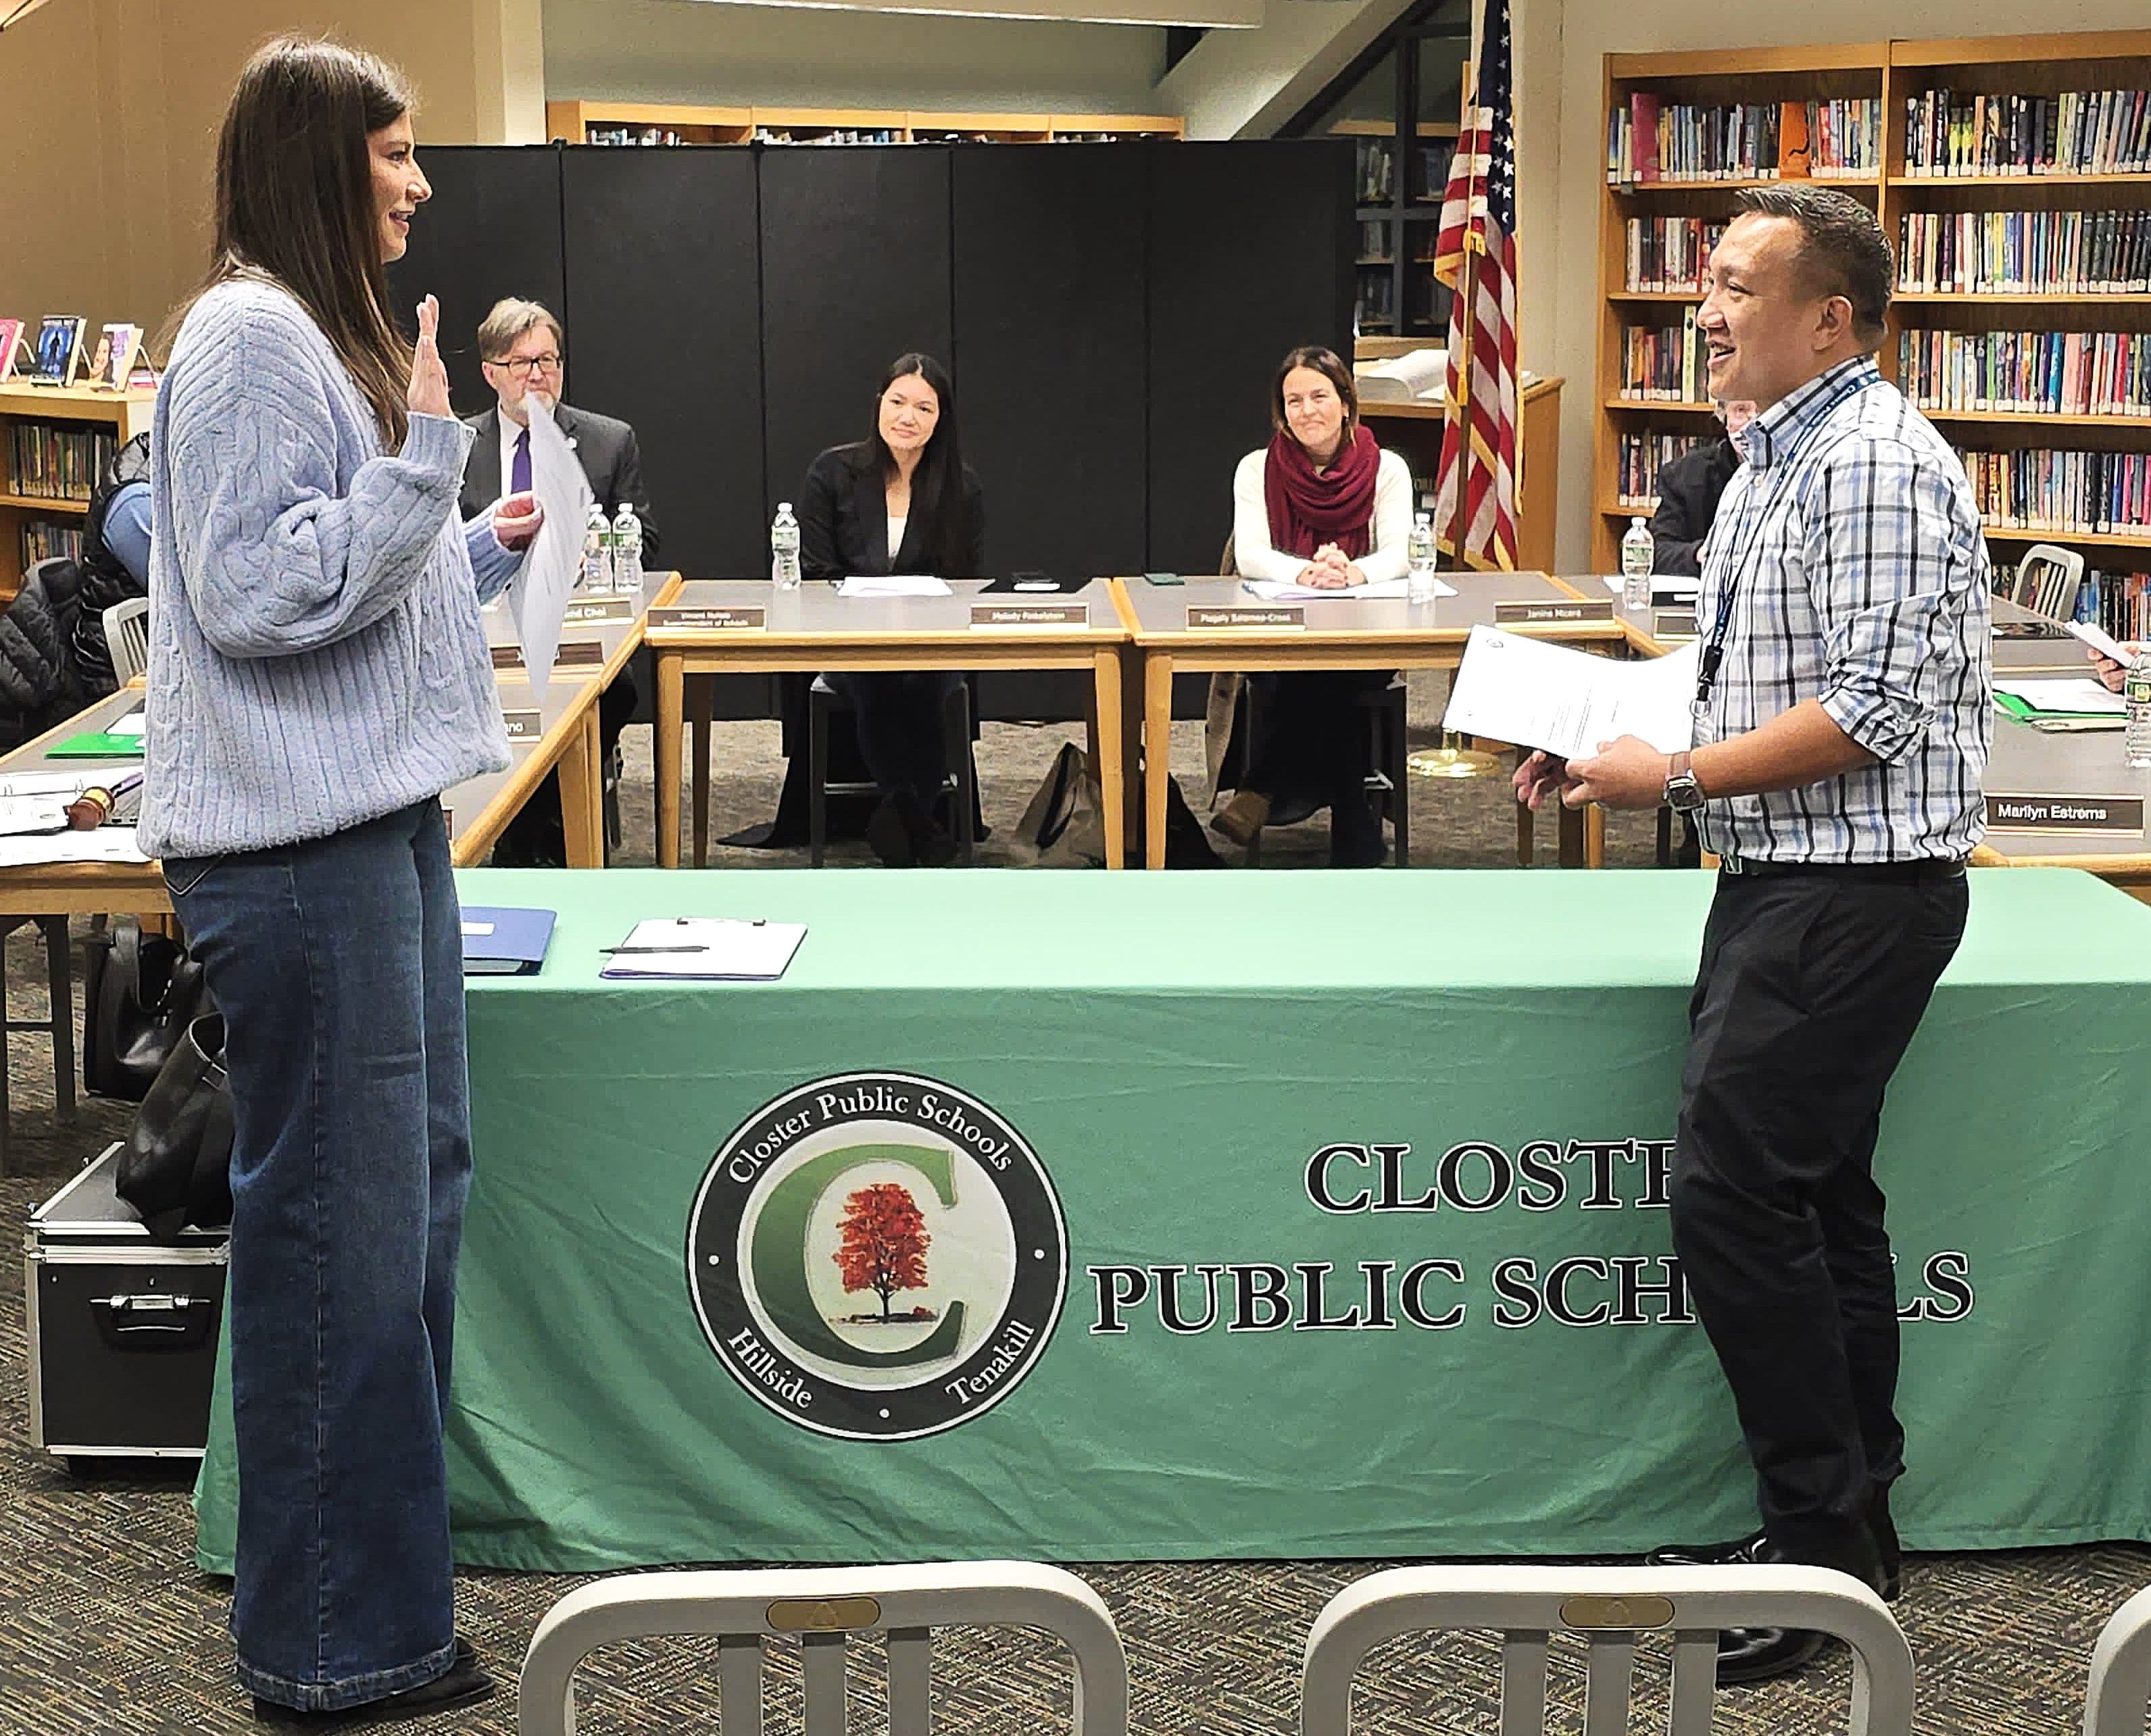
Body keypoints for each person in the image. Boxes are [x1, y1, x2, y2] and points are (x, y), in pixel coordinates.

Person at [1517, 184, 1991, 1684]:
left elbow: (1870, 710)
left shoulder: (1869, 465)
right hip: (1790, 877)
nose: (1702, 307)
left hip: (1851, 891)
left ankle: (1817, 1552)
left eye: (1733, 284)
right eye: (1705, 280)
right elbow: (1749, 669)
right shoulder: (1773, 458)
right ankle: (1841, 1537)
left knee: (1735, 1199)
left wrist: (1669, 776)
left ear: (1829, 320)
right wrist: (1598, 735)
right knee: (1815, 1200)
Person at [137, 36, 542, 1723]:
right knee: (339, 1246)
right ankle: (332, 1648)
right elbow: (253, 592)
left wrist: (459, 549)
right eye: (393, 153)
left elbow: (339, 586)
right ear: (318, 159)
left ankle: (374, 1617)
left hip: (362, 830)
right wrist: (428, 462)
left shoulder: (304, 334)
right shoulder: (248, 337)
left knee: (401, 1218)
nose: (419, 182)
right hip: (302, 857)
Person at [459, 298, 659, 867]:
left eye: (548, 360)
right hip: (485, 633)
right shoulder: (458, 444)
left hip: (578, 628)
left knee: (612, 691)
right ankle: (538, 834)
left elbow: (643, 540)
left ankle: (527, 836)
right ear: (491, 373)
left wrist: (589, 551)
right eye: (522, 363)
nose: (538, 375)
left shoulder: (607, 441)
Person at [1210, 345, 1410, 867]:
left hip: (1366, 634)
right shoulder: (1256, 468)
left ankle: (1260, 785)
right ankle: (1355, 827)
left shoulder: (1387, 468)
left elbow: (1399, 553)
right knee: (1315, 675)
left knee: (1327, 673)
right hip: (1280, 633)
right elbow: (1251, 555)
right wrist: (1304, 573)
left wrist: (1350, 572)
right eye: (1293, 400)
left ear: (1345, 403)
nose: (1306, 411)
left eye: (1319, 396)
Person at [797, 351, 985, 867]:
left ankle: (902, 817)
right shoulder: (832, 472)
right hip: (852, 639)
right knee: (877, 675)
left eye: (924, 408)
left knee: (923, 679)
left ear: (941, 419)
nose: (908, 417)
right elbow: (815, 571)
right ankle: (916, 822)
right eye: (898, 402)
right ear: (879, 404)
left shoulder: (961, 486)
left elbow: (965, 581)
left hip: (930, 642)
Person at [1647, 399, 1756, 577]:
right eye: (1740, 410)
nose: (1752, 423)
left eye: (1762, 410)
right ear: (1724, 417)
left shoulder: (1799, 473)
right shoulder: (1686, 474)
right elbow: (1657, 551)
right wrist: (1700, 553)